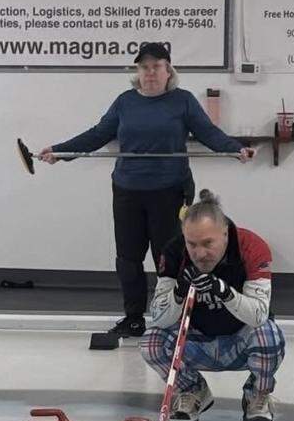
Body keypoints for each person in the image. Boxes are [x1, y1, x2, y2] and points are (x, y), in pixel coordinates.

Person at [38, 42, 255, 338]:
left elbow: (207, 132)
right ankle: (134, 318)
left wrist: (235, 149)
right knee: (127, 257)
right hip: (127, 189)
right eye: (144, 67)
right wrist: (61, 152)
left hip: (169, 190)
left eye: (156, 66)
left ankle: (173, 317)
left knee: (169, 256)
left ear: (168, 70)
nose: (150, 72)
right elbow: (98, 135)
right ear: (137, 71)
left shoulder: (183, 101)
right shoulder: (125, 101)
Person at [140, 189, 286, 421]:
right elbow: (158, 318)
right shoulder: (173, 251)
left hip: (241, 338)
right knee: (150, 342)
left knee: (270, 336)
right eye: (192, 244)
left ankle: (257, 394)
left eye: (208, 243)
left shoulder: (252, 246)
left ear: (225, 234)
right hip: (196, 340)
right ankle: (192, 390)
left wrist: (225, 292)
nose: (200, 253)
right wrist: (178, 293)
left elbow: (259, 315)